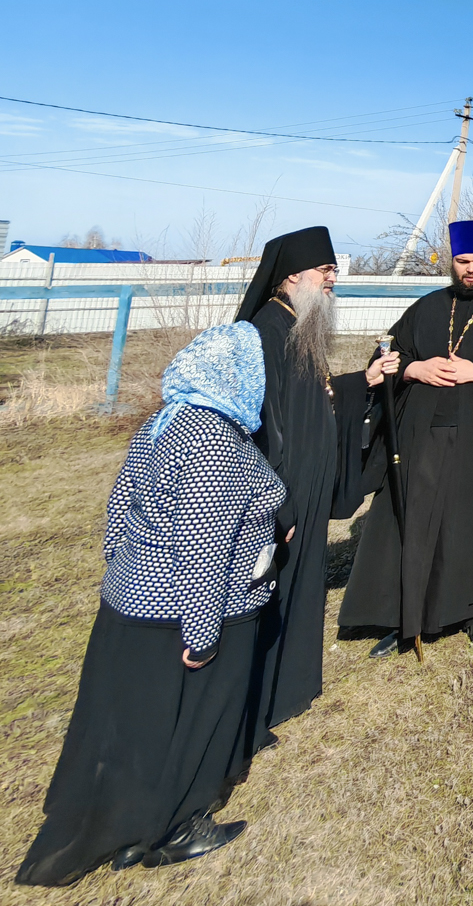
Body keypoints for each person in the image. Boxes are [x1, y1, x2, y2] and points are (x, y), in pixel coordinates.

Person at [17, 323, 287, 886]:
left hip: (135, 601)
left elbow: (121, 507)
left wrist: (124, 569)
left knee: (140, 724)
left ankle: (131, 828)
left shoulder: (165, 421)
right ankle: (175, 829)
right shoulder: (213, 440)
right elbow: (205, 549)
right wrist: (202, 635)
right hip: (196, 609)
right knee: (192, 722)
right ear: (237, 375)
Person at [338, 220, 473, 654]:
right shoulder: (430, 305)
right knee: (412, 518)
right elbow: (386, 352)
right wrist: (413, 368)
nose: (471, 269)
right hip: (422, 430)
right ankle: (404, 615)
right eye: (462, 261)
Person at [234, 227, 395, 746]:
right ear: (290, 276)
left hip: (302, 485)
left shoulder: (295, 323)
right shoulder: (266, 330)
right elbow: (264, 426)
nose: (332, 279)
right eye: (324, 271)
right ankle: (256, 705)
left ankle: (287, 692)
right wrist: (273, 502)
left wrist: (362, 381)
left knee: (297, 584)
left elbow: (314, 397)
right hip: (282, 490)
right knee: (269, 591)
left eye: (333, 271)